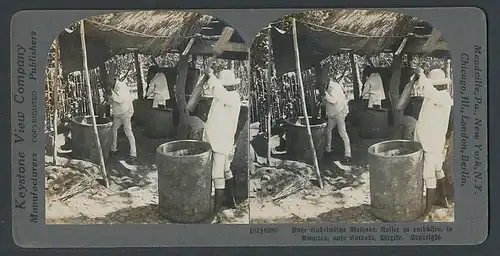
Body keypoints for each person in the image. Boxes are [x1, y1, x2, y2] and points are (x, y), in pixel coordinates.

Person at [397, 68, 453, 217]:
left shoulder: (443, 98)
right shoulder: (433, 95)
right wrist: (415, 79)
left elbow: (428, 89)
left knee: (428, 175)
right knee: (437, 168)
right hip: (429, 140)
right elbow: (424, 89)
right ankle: (442, 199)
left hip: (433, 142)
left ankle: (428, 208)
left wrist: (421, 74)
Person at [202, 68, 242, 215]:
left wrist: (211, 76)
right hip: (217, 139)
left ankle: (216, 210)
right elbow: (212, 90)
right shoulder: (222, 95)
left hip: (221, 141)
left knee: (217, 175)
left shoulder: (232, 97)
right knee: (226, 170)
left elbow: (218, 90)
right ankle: (231, 200)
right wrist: (208, 78)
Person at [107, 63, 137, 165]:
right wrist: (108, 98)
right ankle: (114, 148)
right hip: (118, 114)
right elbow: (110, 102)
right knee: (114, 129)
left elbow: (119, 100)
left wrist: (111, 94)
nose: (109, 84)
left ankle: (133, 154)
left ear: (115, 79)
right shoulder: (113, 87)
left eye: (110, 82)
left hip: (125, 112)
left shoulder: (121, 86)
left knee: (128, 132)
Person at [321, 78, 352, 166]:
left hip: (339, 113)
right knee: (329, 129)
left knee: (342, 132)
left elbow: (333, 100)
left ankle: (348, 155)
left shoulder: (333, 87)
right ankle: (328, 149)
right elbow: (325, 102)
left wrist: (324, 93)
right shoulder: (329, 86)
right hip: (333, 114)